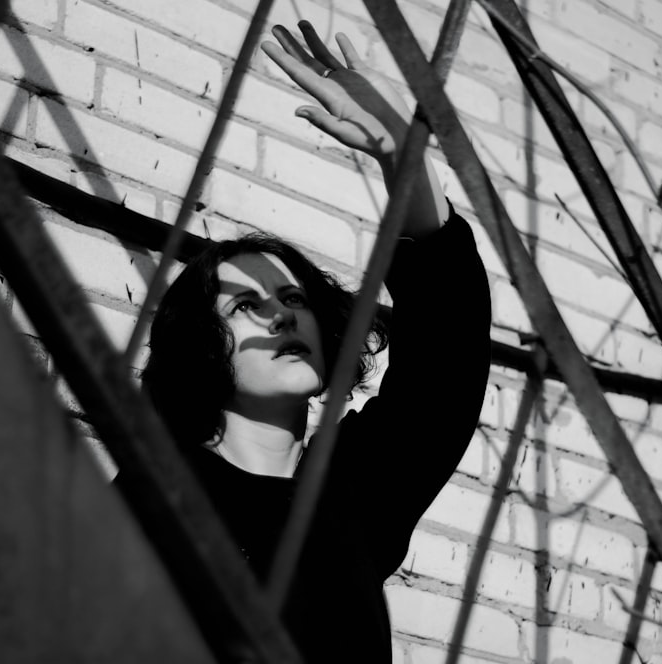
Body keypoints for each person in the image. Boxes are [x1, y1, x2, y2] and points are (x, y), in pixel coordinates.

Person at [135, 21, 490, 663]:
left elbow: (448, 357)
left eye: (296, 300)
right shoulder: (154, 499)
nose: (283, 317)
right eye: (247, 304)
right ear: (198, 346)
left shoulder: (352, 488)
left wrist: (396, 154)